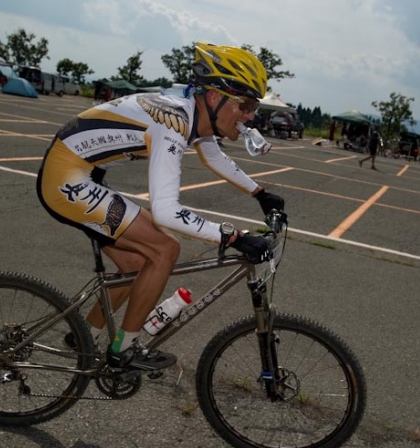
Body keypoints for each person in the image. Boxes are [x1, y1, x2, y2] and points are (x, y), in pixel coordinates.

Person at [36, 43, 285, 372]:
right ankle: (124, 349)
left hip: (82, 173)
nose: (251, 116)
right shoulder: (175, 121)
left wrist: (260, 193)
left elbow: (213, 156)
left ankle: (84, 335)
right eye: (246, 104)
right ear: (214, 97)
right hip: (66, 178)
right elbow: (166, 210)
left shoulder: (192, 115)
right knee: (165, 248)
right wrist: (234, 237)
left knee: (137, 264)